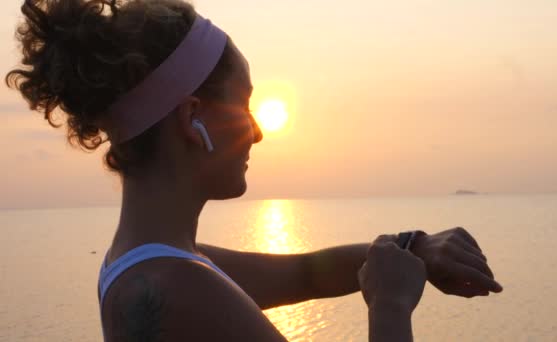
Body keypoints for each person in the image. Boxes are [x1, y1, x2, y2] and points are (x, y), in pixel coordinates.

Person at [6, 0, 503, 341]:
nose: (259, 132)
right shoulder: (178, 288)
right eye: (243, 105)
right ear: (191, 117)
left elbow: (306, 273)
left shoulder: (156, 261)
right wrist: (390, 306)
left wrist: (413, 245)